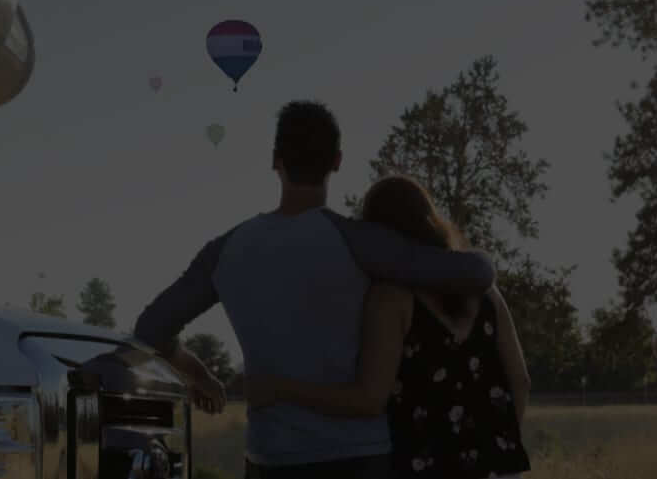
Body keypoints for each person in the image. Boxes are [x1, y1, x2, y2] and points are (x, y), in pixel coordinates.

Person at [131, 100, 496, 479]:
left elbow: (150, 329)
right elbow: (478, 272)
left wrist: (201, 375)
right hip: (357, 461)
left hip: (268, 460)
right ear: (337, 161)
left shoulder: (225, 251)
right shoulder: (360, 242)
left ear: (276, 160)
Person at [244, 175, 533, 479]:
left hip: (423, 466)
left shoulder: (391, 297)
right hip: (498, 469)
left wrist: (280, 388)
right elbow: (521, 381)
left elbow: (368, 399)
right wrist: (494, 448)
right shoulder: (485, 291)